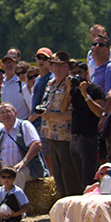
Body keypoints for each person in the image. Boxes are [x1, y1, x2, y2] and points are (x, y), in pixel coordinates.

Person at [0, 102, 48, 204]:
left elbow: (36, 144)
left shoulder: (24, 125)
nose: (5, 115)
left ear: (15, 113)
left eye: (8, 112)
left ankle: (13, 207)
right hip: (4, 172)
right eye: (2, 113)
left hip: (27, 169)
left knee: (17, 173)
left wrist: (23, 162)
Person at [39, 51, 80, 197]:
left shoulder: (71, 84)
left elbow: (74, 113)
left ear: (67, 68)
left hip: (65, 134)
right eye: (55, 65)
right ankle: (62, 202)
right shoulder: (50, 83)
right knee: (56, 173)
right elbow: (46, 103)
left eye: (62, 66)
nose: (57, 69)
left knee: (68, 171)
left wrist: (53, 115)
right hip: (50, 132)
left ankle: (71, 201)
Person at [63, 62, 105, 190]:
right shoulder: (73, 91)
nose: (77, 76)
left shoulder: (95, 89)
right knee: (78, 175)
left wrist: (85, 94)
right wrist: (69, 89)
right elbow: (63, 107)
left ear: (87, 73)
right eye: (74, 73)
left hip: (88, 137)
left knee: (89, 176)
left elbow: (99, 112)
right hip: (74, 136)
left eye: (79, 72)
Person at [0, 53, 32, 120]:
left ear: (16, 65)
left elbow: (30, 104)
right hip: (8, 123)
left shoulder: (21, 82)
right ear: (2, 66)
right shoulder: (2, 83)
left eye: (11, 63)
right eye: (6, 63)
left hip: (22, 122)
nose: (9, 65)